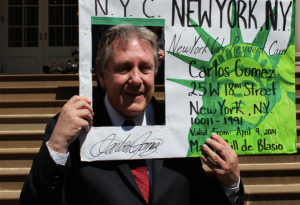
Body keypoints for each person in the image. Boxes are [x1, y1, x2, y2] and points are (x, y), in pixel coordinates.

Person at [20, 24, 244, 205]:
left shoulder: (182, 124)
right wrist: (57, 146)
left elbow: (196, 196)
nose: (136, 79)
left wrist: (230, 185)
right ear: (102, 75)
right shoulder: (69, 130)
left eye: (145, 68)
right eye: (123, 68)